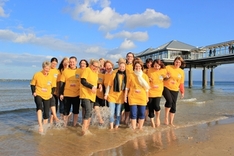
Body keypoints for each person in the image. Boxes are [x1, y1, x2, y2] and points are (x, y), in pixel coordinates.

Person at [30, 61, 58, 134]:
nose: (47, 70)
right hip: (38, 93)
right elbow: (32, 84)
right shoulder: (37, 74)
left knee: (46, 113)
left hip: (47, 95)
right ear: (43, 68)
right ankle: (40, 126)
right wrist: (33, 92)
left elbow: (53, 86)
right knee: (39, 107)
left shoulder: (51, 76)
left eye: (48, 69)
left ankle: (44, 129)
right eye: (46, 68)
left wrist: (51, 93)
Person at [124, 60, 150, 130]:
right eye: (136, 66)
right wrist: (125, 97)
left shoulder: (145, 76)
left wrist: (147, 97)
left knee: (142, 113)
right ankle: (134, 128)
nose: (137, 67)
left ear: (141, 67)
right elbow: (127, 87)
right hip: (132, 97)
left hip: (142, 97)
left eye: (139, 66)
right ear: (134, 67)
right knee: (133, 114)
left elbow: (147, 88)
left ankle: (140, 128)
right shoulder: (131, 75)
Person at [80, 59, 101, 135]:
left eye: (97, 67)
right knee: (88, 110)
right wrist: (91, 86)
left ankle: (87, 128)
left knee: (90, 112)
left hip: (92, 95)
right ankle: (84, 130)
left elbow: (94, 84)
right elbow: (83, 81)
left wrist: (99, 86)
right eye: (94, 66)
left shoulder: (95, 73)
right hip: (85, 94)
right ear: (91, 65)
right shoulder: (87, 70)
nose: (95, 68)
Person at [104, 58, 127, 129]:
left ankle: (116, 126)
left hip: (120, 97)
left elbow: (127, 87)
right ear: (118, 66)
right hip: (112, 96)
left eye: (123, 67)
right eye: (121, 66)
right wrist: (106, 94)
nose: (122, 68)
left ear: (125, 67)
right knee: (111, 113)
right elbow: (109, 85)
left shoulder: (126, 75)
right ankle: (111, 127)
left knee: (118, 113)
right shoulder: (114, 73)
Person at [163, 56, 185, 126]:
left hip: (175, 89)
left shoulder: (181, 72)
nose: (177, 63)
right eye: (176, 62)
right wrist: (166, 77)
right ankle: (166, 118)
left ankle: (171, 122)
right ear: (174, 62)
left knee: (173, 106)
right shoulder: (168, 67)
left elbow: (181, 83)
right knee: (169, 101)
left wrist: (182, 92)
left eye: (179, 62)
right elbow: (162, 76)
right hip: (166, 87)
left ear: (181, 63)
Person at [59, 56, 80, 127]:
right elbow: (62, 83)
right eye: (70, 62)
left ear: (76, 62)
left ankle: (74, 125)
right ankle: (65, 125)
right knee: (66, 111)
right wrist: (61, 93)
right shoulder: (65, 71)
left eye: (73, 62)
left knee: (76, 111)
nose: (72, 63)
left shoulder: (79, 71)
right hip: (67, 94)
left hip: (77, 94)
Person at [147, 59, 167, 128]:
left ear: (160, 65)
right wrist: (148, 79)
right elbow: (146, 78)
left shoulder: (163, 71)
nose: (157, 67)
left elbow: (167, 77)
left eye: (158, 66)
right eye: (155, 66)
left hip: (158, 91)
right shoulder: (149, 70)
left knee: (156, 105)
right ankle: (152, 122)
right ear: (153, 65)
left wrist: (168, 77)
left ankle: (157, 117)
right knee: (150, 107)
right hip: (150, 91)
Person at [122, 52, 135, 125]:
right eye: (128, 56)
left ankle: (132, 119)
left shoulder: (135, 65)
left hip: (134, 87)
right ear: (126, 57)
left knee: (133, 103)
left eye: (131, 56)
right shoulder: (124, 66)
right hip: (125, 87)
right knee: (126, 103)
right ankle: (126, 119)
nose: (129, 57)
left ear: (133, 58)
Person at [49, 57, 59, 123]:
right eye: (53, 63)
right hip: (49, 90)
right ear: (50, 63)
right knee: (52, 104)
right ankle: (52, 120)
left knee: (55, 105)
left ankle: (52, 121)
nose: (54, 65)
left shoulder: (57, 71)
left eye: (55, 64)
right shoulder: (48, 69)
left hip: (56, 90)